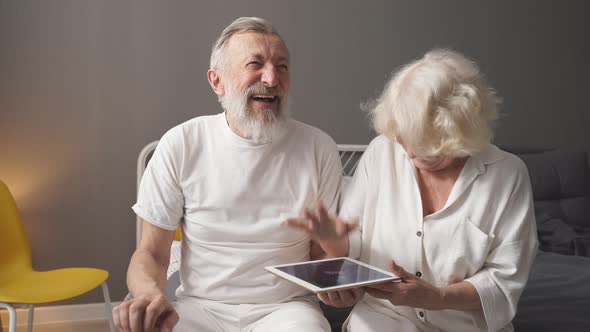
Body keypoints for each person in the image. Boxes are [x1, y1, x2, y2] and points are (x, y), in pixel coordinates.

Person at [112, 17, 342, 332]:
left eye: (282, 66)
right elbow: (151, 253)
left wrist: (337, 252)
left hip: (287, 310)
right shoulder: (182, 143)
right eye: (255, 64)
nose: (272, 78)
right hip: (198, 309)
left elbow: (322, 256)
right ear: (217, 81)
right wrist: (149, 295)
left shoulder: (319, 148)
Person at [288, 49, 539, 331]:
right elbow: (354, 245)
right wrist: (333, 242)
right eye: (401, 138)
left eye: (423, 147)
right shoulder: (381, 152)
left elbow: (504, 279)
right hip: (384, 318)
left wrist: (437, 297)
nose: (407, 152)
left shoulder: (508, 176)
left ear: (461, 135)